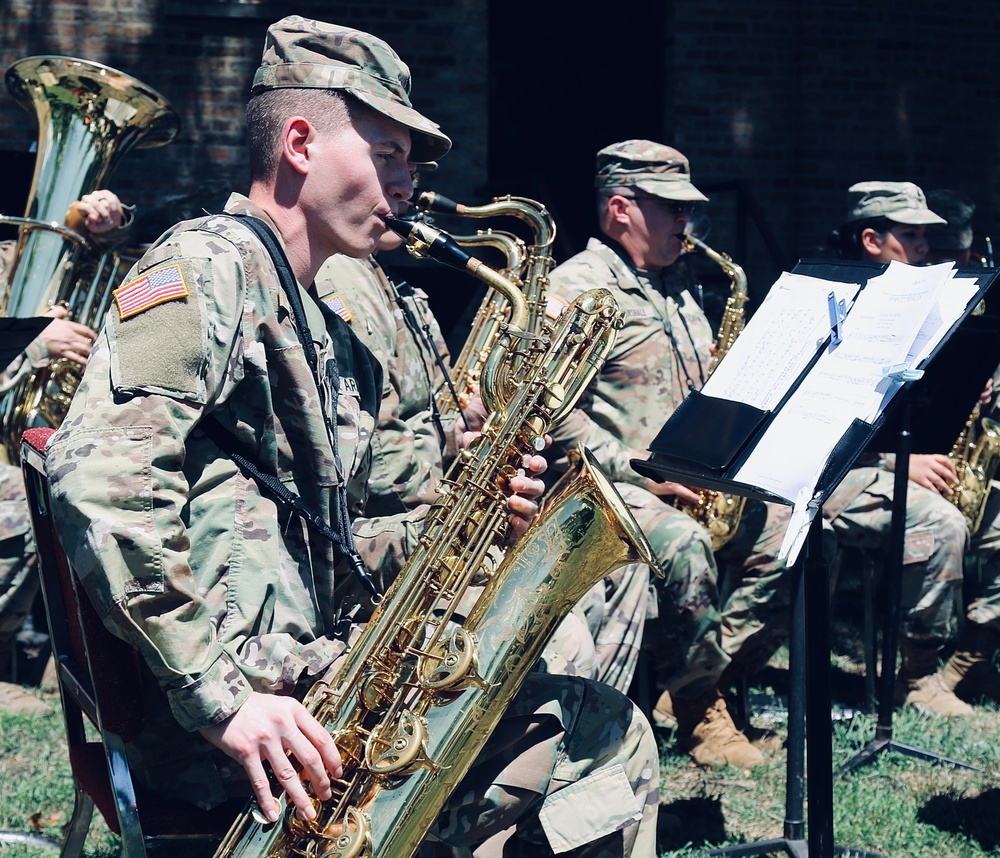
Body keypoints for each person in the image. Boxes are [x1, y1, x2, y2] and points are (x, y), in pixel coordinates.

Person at [46, 18, 659, 856]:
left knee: (585, 712)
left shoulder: (316, 312)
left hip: (304, 689)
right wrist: (225, 699)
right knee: (603, 732)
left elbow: (311, 539)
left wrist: (453, 530)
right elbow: (99, 479)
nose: (410, 184)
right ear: (300, 142)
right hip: (246, 731)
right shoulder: (205, 267)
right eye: (391, 154)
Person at [543, 140, 797, 770]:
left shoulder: (680, 287)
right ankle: (699, 707)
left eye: (688, 209)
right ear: (621, 209)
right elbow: (547, 413)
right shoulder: (574, 287)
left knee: (791, 536)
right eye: (671, 208)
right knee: (685, 547)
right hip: (602, 485)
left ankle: (687, 675)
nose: (686, 221)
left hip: (690, 477)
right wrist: (641, 469)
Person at [825, 180, 975, 716]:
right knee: (939, 524)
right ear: (871, 240)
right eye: (911, 238)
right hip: (831, 472)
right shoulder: (833, 305)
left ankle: (969, 655)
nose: (925, 252)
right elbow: (819, 427)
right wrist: (896, 462)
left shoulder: (916, 302)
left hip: (888, 463)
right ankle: (915, 675)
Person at [0, 189, 127, 714]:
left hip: (25, 443)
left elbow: (73, 257)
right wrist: (35, 345)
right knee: (20, 500)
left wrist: (100, 230)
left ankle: (66, 669)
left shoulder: (14, 250)